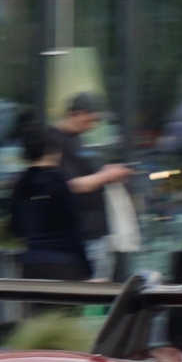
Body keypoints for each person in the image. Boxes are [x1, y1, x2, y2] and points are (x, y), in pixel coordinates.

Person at [50, 92, 135, 278]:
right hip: (80, 238)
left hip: (95, 236)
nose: (93, 125)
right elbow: (73, 185)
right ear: (77, 113)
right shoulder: (54, 141)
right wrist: (107, 175)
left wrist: (107, 173)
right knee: (89, 298)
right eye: (91, 119)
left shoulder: (76, 140)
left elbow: (87, 176)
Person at [7, 121, 90, 280]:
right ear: (53, 151)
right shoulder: (59, 183)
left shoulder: (21, 184)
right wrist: (87, 271)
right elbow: (72, 231)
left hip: (31, 265)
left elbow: (15, 226)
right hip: (63, 265)